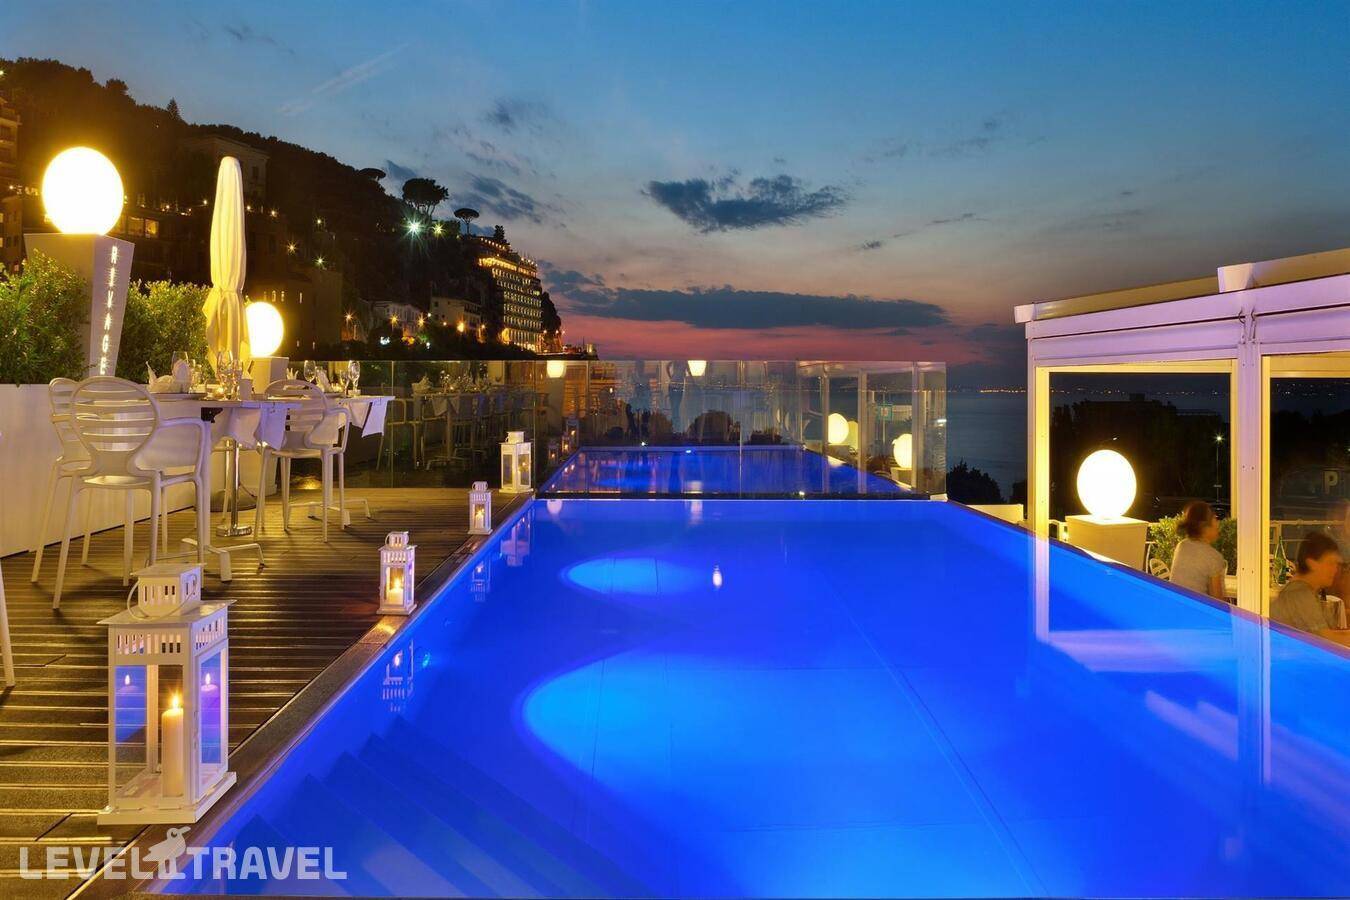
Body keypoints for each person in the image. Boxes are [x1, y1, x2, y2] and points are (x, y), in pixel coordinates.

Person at [1270, 532, 1343, 635]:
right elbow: (1323, 639)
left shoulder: (1304, 591)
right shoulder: (1299, 594)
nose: (1335, 570)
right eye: (1330, 563)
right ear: (1312, 563)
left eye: (1336, 564)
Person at [1169, 500, 1228, 599]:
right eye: (1214, 518)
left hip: (1175, 605)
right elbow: (1218, 602)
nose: (1218, 523)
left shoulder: (1182, 546)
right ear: (1204, 527)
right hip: (1194, 608)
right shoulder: (1213, 557)